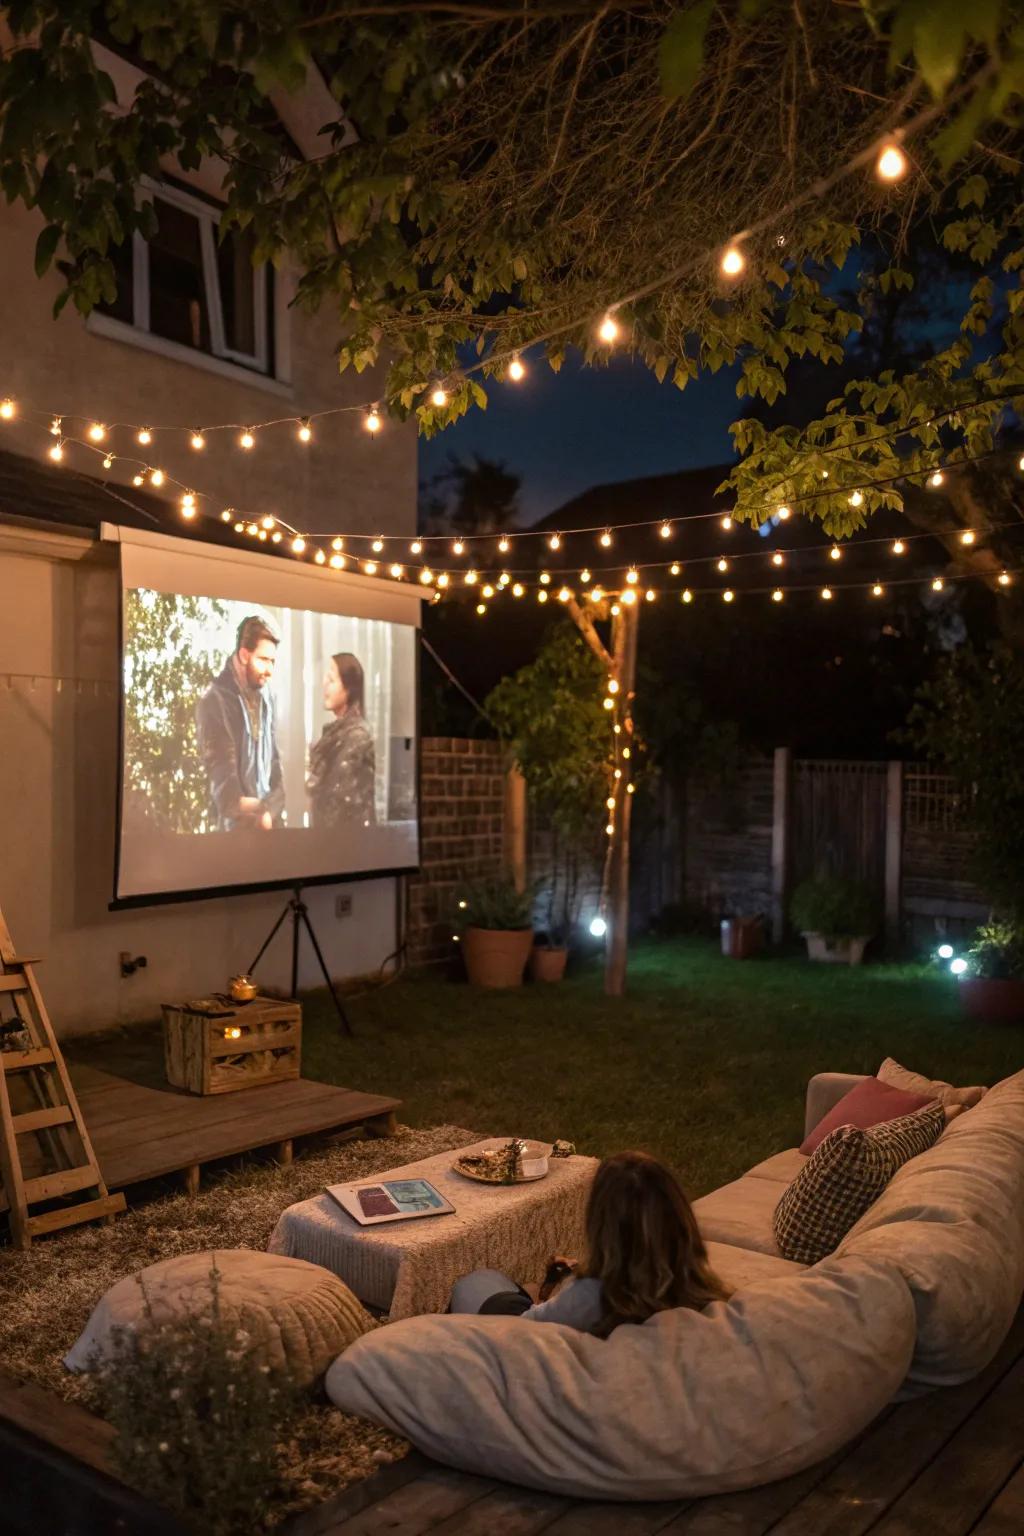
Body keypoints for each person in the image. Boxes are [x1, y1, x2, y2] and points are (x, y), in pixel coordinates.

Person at [449, 1150, 731, 1337]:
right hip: (560, 1308)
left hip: (520, 1329)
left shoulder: (593, 1294)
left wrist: (565, 1288)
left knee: (476, 1282)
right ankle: (530, 1291)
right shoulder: (697, 1286)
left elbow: (525, 1331)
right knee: (528, 1285)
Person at [195, 615, 285, 831]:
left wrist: (270, 812)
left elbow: (275, 768)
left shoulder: (267, 697)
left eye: (273, 661)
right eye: (264, 660)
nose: (270, 670)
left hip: (270, 831)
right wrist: (262, 810)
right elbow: (226, 794)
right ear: (244, 655)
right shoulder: (214, 702)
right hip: (233, 838)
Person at [306, 652, 376, 829]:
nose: (324, 685)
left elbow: (338, 799)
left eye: (331, 679)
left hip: (344, 844)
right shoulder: (336, 733)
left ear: (348, 689)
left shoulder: (356, 736)